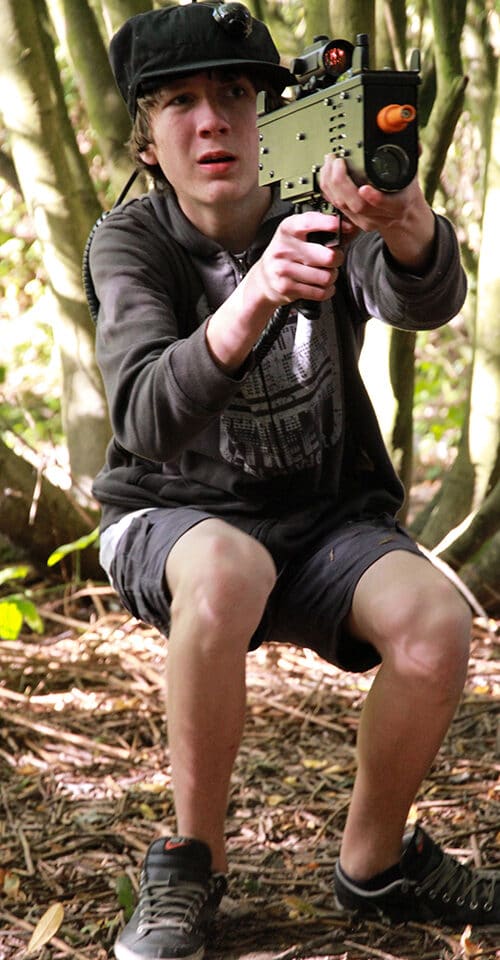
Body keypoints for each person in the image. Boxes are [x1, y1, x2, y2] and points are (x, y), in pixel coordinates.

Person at [87, 3, 499, 958]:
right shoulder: (131, 242)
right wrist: (258, 290)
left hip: (321, 521)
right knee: (226, 572)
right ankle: (190, 865)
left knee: (436, 624)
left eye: (234, 93)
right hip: (172, 518)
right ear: (147, 140)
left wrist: (406, 224)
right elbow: (144, 418)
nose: (211, 121)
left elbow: (422, 299)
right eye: (180, 103)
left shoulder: (316, 203)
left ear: (268, 114)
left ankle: (375, 863)